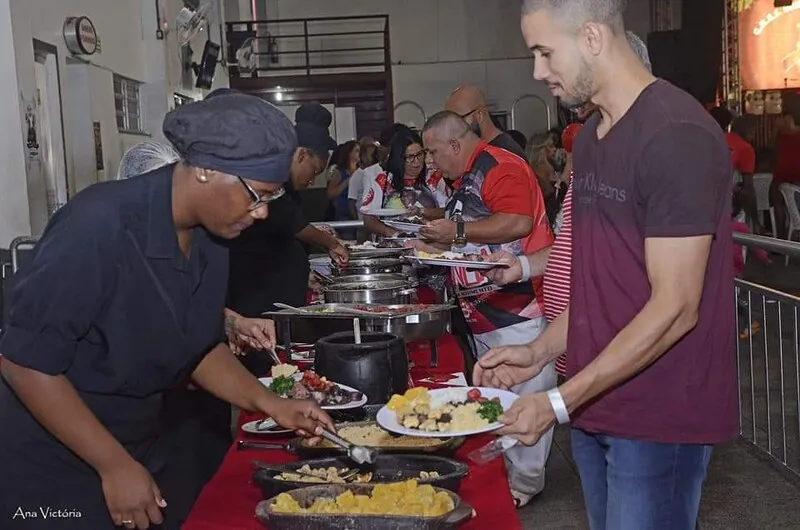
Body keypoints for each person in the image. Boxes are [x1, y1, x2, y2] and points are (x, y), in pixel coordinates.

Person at [0, 92, 335, 530]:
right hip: (55, 458)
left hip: (136, 440)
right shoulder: (98, 224)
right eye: (258, 195)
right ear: (206, 170)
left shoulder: (212, 236)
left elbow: (196, 345)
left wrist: (272, 404)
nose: (262, 212)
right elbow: (25, 362)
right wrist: (113, 465)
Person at [476, 3, 736, 530]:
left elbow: (676, 307)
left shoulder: (675, 134)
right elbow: (598, 287)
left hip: (659, 411)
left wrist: (557, 401)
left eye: (545, 52)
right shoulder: (593, 141)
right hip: (596, 402)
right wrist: (539, 350)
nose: (537, 71)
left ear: (592, 37)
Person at [417, 111, 555, 507]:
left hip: (516, 309)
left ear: (456, 145)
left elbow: (517, 222)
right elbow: (477, 233)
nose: (430, 161)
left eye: (433, 151)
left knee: (526, 394)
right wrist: (436, 245)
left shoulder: (499, 166)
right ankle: (511, 474)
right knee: (500, 394)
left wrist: (455, 231)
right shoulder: (466, 177)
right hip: (487, 312)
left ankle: (524, 483)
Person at [226, 102, 348, 376]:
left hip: (277, 304)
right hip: (256, 301)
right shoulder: (272, 179)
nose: (313, 179)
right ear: (301, 154)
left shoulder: (289, 187)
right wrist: (331, 243)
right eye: (315, 171)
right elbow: (293, 225)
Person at [362, 131, 449, 237]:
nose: (416, 161)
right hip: (393, 245)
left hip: (431, 244)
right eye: (410, 157)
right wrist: (395, 234)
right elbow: (368, 218)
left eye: (419, 155)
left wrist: (422, 211)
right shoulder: (382, 180)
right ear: (399, 158)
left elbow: (448, 211)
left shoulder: (435, 178)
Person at [445, 84, 527, 159]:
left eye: (459, 119)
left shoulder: (506, 155)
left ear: (480, 115)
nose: (453, 128)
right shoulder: (482, 151)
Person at [710, 106, 760, 228]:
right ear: (749, 131)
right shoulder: (745, 149)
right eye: (754, 132)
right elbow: (749, 189)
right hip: (725, 203)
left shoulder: (718, 138)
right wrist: (756, 221)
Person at [327, 140, 360, 222]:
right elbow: (330, 194)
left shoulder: (362, 171)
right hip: (345, 214)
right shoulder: (339, 172)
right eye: (356, 151)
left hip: (359, 211)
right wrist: (349, 180)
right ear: (349, 153)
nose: (360, 153)